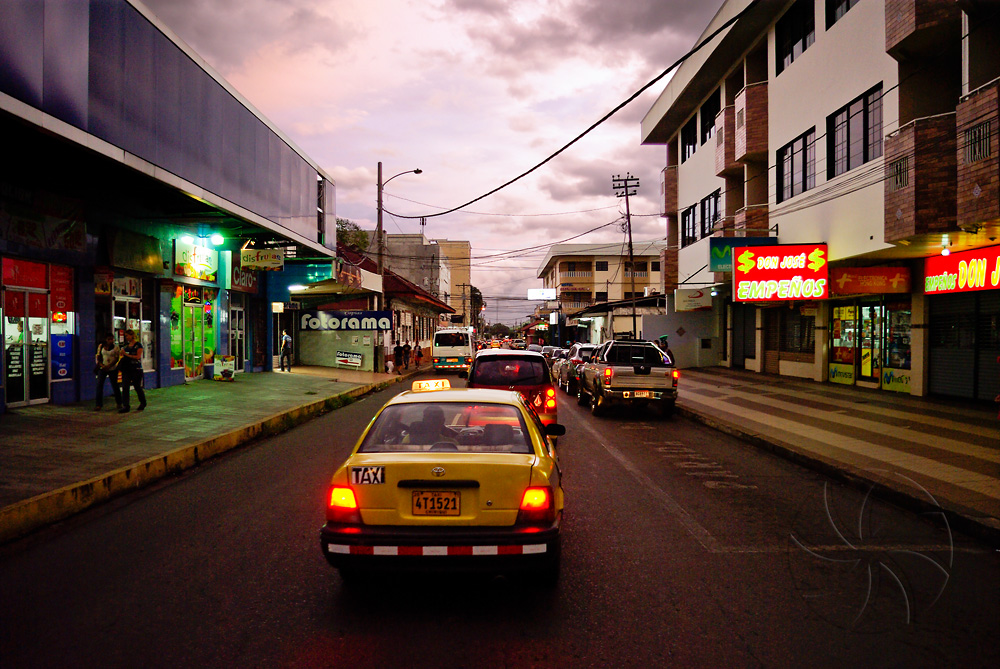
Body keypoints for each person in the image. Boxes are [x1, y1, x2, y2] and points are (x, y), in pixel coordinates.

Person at [118, 329, 146, 413]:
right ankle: (126, 405)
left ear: (132, 335)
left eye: (127, 336)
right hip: (127, 369)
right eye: (125, 336)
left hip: (136, 369)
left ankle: (143, 402)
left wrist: (127, 354)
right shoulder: (126, 346)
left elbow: (138, 357)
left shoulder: (138, 345)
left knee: (137, 386)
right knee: (125, 387)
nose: (126, 337)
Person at [94, 333, 122, 411]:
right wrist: (102, 365)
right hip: (102, 368)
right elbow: (98, 356)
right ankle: (98, 405)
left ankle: (119, 403)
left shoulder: (116, 348)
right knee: (99, 385)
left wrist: (109, 366)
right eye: (109, 339)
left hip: (112, 368)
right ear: (105, 339)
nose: (111, 341)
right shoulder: (101, 346)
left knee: (115, 385)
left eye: (112, 339)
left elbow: (116, 358)